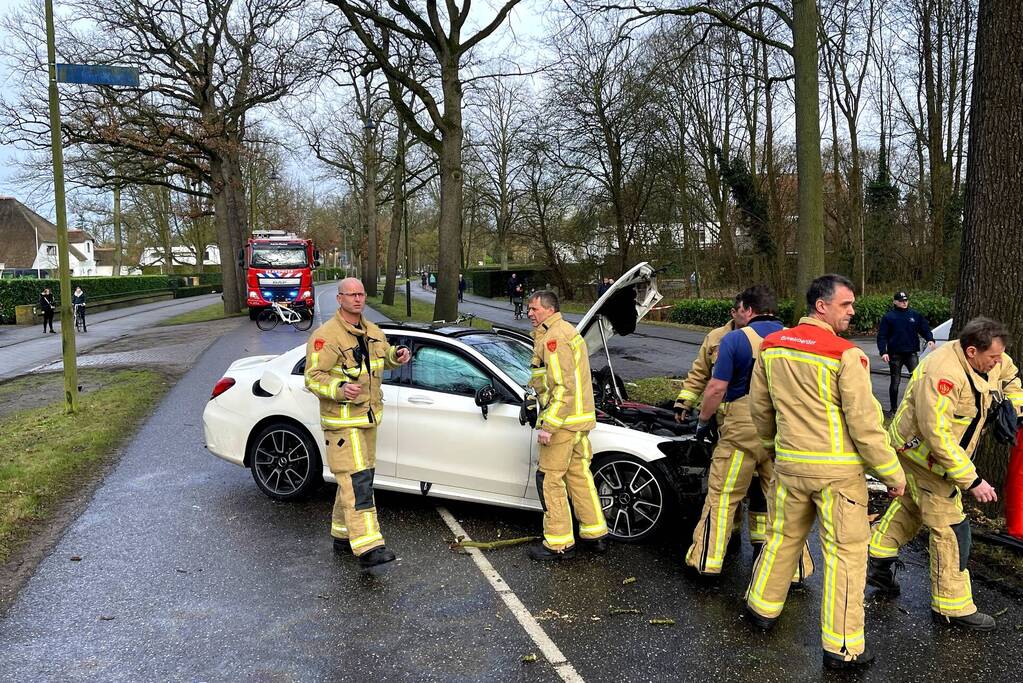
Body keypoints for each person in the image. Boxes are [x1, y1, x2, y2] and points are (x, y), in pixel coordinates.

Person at [745, 274, 906, 671]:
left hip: (790, 466)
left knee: (782, 538)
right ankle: (843, 648)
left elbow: (760, 409)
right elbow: (865, 426)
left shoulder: (772, 346)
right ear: (822, 305)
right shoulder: (845, 354)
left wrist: (772, 448)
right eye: (846, 304)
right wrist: (892, 474)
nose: (853, 311)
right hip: (838, 476)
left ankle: (761, 610)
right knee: (846, 557)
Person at [868, 317, 1023, 631]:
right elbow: (937, 435)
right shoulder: (941, 373)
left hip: (940, 455)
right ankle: (952, 605)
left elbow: (1010, 377)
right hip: (921, 454)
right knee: (951, 525)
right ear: (971, 352)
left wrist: (1015, 411)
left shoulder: (992, 357)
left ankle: (878, 556)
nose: (998, 362)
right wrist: (973, 480)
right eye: (992, 357)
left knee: (913, 505)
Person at [684, 285, 814, 582]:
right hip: (784, 431)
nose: (735, 313)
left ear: (749, 310)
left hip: (742, 429)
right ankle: (794, 571)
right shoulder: (795, 339)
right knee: (782, 502)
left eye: (738, 308)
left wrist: (703, 422)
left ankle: (707, 562)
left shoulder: (734, 340)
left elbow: (716, 388)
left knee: (723, 496)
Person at [304, 278, 411, 568]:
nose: (357, 298)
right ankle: (368, 546)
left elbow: (380, 360)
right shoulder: (325, 336)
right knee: (357, 482)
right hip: (342, 422)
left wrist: (395, 356)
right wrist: (339, 388)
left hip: (368, 418)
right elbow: (313, 377)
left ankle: (342, 535)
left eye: (361, 293)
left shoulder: (373, 331)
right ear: (339, 298)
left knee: (353, 480)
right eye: (351, 294)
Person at [524, 289, 607, 560]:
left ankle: (558, 542)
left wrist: (548, 424)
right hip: (578, 423)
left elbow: (564, 387)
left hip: (563, 424)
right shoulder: (563, 331)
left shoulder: (554, 338)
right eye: (529, 309)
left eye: (534, 309)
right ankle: (595, 534)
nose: (529, 313)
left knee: (550, 479)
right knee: (579, 477)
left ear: (549, 309)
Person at [673, 293, 744, 422]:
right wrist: (684, 403)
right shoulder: (715, 338)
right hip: (716, 416)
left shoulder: (761, 339)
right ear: (734, 312)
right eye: (744, 312)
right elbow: (700, 372)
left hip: (745, 418)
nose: (749, 317)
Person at [877, 291, 935, 412]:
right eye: (901, 301)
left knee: (916, 380)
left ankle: (916, 407)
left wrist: (930, 339)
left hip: (911, 352)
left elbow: (924, 328)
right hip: (895, 354)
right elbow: (882, 336)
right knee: (895, 381)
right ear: (895, 302)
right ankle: (893, 409)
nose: (904, 303)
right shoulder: (889, 317)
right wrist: (883, 352)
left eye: (906, 300)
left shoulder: (914, 315)